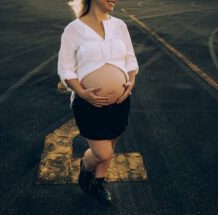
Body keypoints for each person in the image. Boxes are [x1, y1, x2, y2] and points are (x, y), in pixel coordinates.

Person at [57, 0, 139, 203]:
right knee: (103, 153)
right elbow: (65, 69)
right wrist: (82, 93)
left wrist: (131, 83)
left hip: (121, 102)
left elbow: (130, 59)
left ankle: (99, 183)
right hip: (88, 105)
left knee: (111, 145)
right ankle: (86, 167)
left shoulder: (120, 25)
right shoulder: (73, 29)